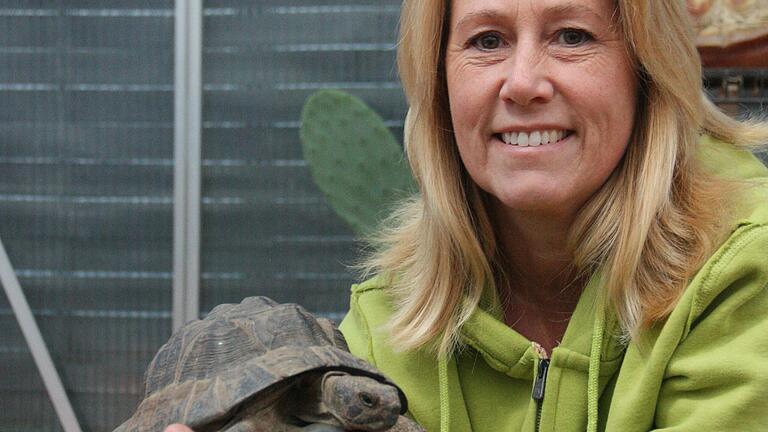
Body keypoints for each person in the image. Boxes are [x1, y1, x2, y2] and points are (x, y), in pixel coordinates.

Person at [166, 0, 768, 431]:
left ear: (646, 71)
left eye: (572, 35)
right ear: (439, 87)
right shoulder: (389, 316)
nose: (524, 83)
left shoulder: (745, 264)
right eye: (486, 41)